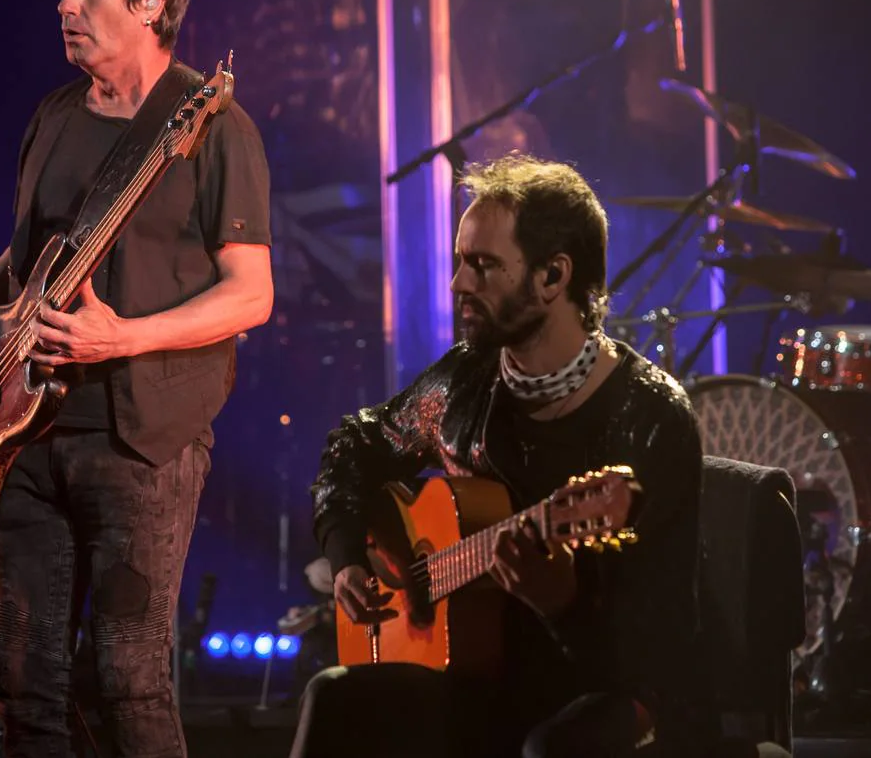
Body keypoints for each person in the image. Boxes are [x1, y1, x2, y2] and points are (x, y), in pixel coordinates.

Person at [0, 0, 272, 758]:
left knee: (129, 685)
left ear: (152, 1)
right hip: (25, 436)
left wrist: (125, 339)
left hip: (141, 440)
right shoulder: (53, 118)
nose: (65, 5)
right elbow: (30, 259)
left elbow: (250, 296)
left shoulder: (214, 126)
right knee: (20, 686)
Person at [296, 154, 714, 758]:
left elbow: (661, 649)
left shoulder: (650, 420)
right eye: (462, 262)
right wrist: (346, 553)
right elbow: (356, 446)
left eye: (483, 266)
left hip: (601, 689)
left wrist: (562, 604)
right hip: (473, 672)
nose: (458, 283)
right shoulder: (466, 382)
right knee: (333, 696)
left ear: (552, 277)